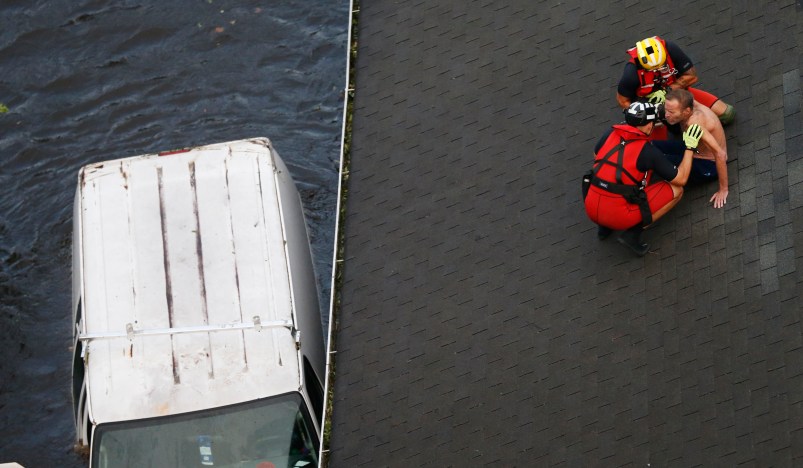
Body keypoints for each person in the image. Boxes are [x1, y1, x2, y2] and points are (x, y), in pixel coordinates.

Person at [585, 102, 703, 256]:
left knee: (615, 183)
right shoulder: (647, 151)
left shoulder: (611, 132)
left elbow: (596, 155)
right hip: (618, 216)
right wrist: (689, 147)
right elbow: (681, 179)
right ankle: (632, 234)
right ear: (648, 126)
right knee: (677, 191)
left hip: (591, 207)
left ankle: (604, 228)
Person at [616, 36, 736, 125]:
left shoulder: (670, 48)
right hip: (651, 106)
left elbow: (692, 76)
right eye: (653, 68)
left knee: (726, 114)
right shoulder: (631, 72)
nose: (658, 69)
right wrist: (646, 113)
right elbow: (622, 101)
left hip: (676, 94)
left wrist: (668, 90)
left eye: (660, 65)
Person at [653, 88, 729, 208]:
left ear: (686, 111)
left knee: (656, 160)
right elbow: (679, 92)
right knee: (651, 146)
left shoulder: (694, 125)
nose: (666, 115)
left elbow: (721, 154)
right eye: (666, 109)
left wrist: (723, 189)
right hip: (692, 147)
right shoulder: (689, 102)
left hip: (708, 164)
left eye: (671, 112)